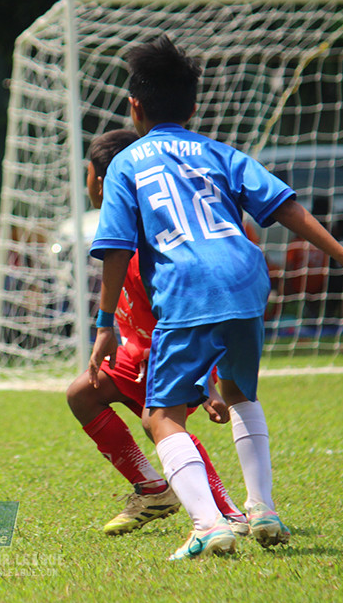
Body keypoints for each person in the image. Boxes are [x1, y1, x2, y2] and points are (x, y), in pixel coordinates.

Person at [88, 36, 343, 560]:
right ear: (193, 108)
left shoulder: (127, 163)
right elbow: (285, 206)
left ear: (134, 107)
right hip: (247, 281)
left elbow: (115, 248)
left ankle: (208, 525)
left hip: (187, 284)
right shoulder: (220, 152)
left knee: (161, 416)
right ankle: (263, 509)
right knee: (239, 393)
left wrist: (104, 322)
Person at [67, 129, 248, 537]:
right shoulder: (122, 230)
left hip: (164, 353)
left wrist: (207, 384)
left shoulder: (145, 241)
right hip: (134, 354)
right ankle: (152, 489)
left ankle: (228, 512)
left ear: (100, 181)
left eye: (88, 174)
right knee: (83, 394)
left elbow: (186, 313)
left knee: (160, 423)